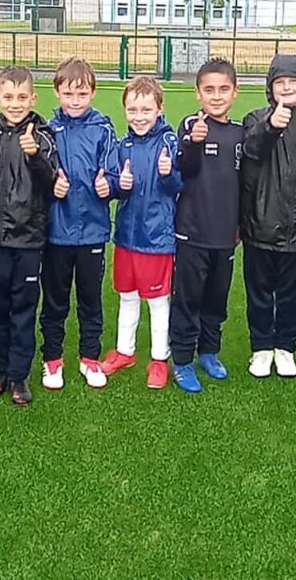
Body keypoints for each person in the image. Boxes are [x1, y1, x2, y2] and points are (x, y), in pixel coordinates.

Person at [0, 66, 58, 407]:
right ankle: (2, 369)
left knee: (23, 307)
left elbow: (49, 182)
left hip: (29, 238)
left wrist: (34, 156)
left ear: (33, 99)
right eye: (8, 97)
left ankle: (19, 375)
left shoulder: (44, 137)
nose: (15, 104)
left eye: (22, 97)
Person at [239, 54, 296, 379]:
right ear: (270, 87)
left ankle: (285, 348)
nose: (287, 87)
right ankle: (261, 348)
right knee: (259, 293)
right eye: (280, 82)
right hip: (259, 226)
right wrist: (270, 127)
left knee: (292, 295)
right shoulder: (255, 119)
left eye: (294, 82)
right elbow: (250, 152)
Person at [39, 58, 119, 391]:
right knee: (54, 300)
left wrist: (108, 186)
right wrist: (51, 186)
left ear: (93, 93)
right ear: (57, 92)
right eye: (69, 93)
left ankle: (89, 357)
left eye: (82, 94)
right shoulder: (46, 130)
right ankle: (52, 359)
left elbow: (115, 173)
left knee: (90, 299)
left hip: (92, 232)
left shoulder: (104, 129)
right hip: (56, 232)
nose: (75, 101)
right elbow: (36, 175)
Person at [100, 76, 183, 390]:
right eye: (132, 110)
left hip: (157, 238)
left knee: (158, 300)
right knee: (127, 296)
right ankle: (125, 351)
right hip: (126, 236)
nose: (139, 116)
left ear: (159, 109)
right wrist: (118, 186)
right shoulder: (123, 146)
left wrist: (168, 174)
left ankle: (159, 359)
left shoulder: (169, 142)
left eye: (146, 109)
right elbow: (116, 187)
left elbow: (179, 186)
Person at [167, 58, 243, 393]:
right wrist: (193, 142)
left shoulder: (240, 133)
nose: (216, 96)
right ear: (198, 93)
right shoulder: (191, 125)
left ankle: (209, 352)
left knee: (216, 299)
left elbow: (245, 183)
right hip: (192, 232)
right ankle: (182, 360)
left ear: (235, 92)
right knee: (187, 299)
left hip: (225, 235)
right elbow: (186, 169)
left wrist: (240, 224)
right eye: (209, 90)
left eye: (223, 89)